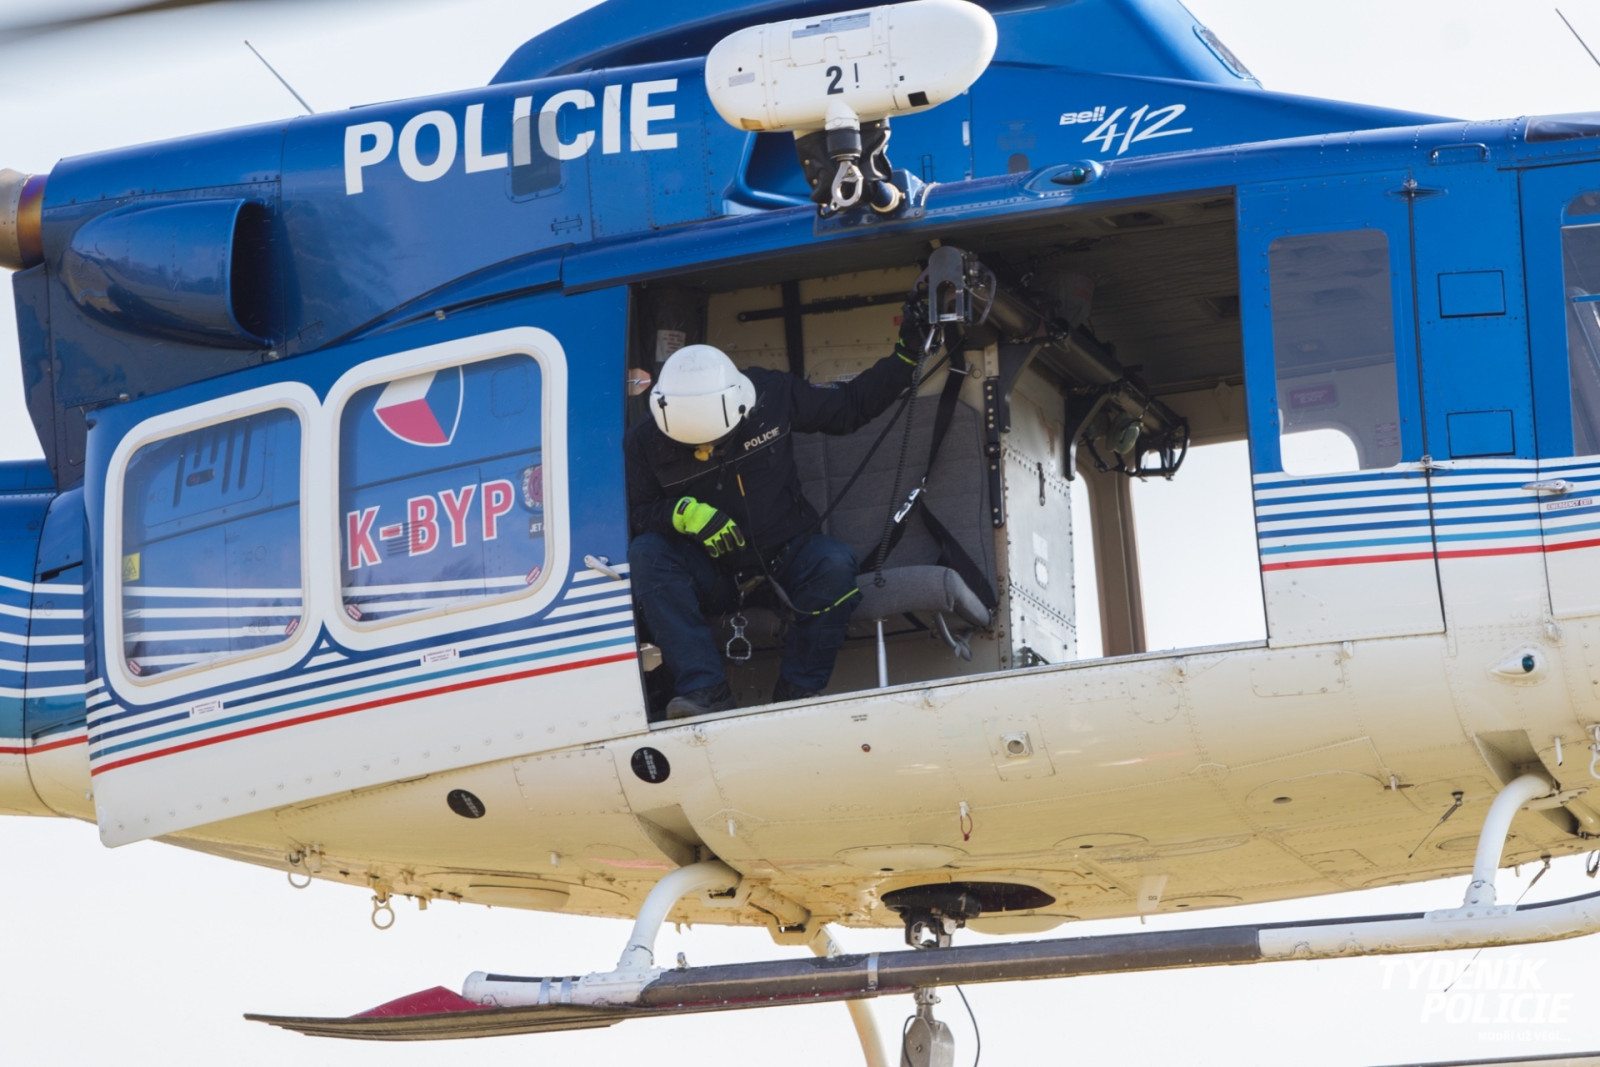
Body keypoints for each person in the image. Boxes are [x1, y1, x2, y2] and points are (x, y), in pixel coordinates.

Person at [626, 311, 923, 718]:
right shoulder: (642, 442)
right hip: (713, 574)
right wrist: (680, 514)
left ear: (741, 405)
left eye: (716, 442)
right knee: (647, 554)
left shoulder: (772, 393)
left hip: (787, 557)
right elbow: (637, 515)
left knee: (835, 564)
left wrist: (907, 357)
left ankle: (796, 698)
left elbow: (848, 408)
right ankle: (706, 693)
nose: (707, 452)